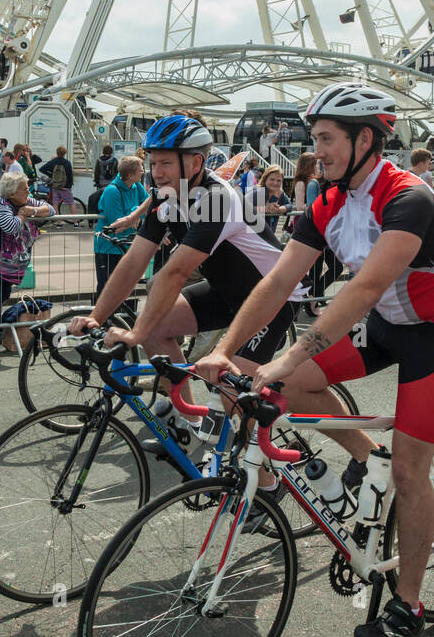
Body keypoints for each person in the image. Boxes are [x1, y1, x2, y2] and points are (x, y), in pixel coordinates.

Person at [197, 83, 434, 637]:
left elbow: (367, 284)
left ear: (366, 140)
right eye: (316, 138)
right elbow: (278, 280)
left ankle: (409, 601)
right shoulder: (326, 201)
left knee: (409, 470)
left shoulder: (409, 197)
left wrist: (286, 355)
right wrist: (225, 349)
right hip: (386, 323)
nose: (317, 149)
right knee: (298, 383)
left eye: (327, 138)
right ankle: (364, 453)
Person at [68, 114, 304, 417]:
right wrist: (96, 317)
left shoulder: (217, 198)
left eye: (165, 163)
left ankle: (254, 459)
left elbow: (176, 272)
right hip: (227, 292)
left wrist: (134, 334)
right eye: (152, 164)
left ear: (194, 163)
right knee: (155, 326)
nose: (156, 173)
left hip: (273, 299)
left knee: (232, 397)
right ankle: (188, 418)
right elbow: (134, 261)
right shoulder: (164, 198)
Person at [0, 171, 54, 352]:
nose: (29, 192)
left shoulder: (24, 202)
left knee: (1, 295)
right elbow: (11, 226)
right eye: (25, 189)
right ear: (12, 193)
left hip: (5, 263)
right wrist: (24, 214)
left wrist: (33, 210)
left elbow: (50, 209)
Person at [93, 155, 148, 299]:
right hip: (108, 246)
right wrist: (136, 213)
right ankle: (100, 319)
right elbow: (117, 221)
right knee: (107, 286)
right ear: (130, 175)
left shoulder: (137, 186)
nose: (143, 171)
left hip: (125, 244)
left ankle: (118, 318)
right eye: (141, 169)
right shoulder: (112, 191)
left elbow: (148, 206)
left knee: (124, 286)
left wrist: (135, 215)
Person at [256, 164, 292, 234]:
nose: (275, 183)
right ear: (265, 178)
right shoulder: (257, 191)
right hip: (254, 235)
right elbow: (244, 208)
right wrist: (266, 209)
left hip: (270, 234)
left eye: (278, 181)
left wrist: (280, 209)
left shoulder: (280, 193)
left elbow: (289, 205)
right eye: (272, 179)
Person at [37, 147, 75, 214]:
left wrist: (51, 175)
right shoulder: (67, 163)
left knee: (55, 204)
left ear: (57, 152)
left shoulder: (53, 162)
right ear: (64, 153)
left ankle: (58, 221)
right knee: (71, 203)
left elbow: (41, 169)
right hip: (65, 187)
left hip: (55, 186)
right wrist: (70, 185)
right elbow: (70, 175)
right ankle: (75, 222)